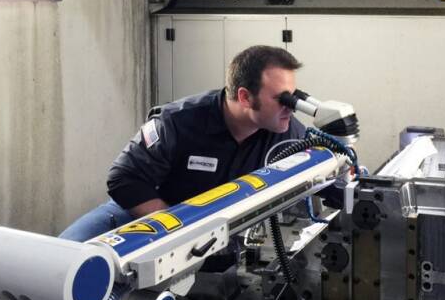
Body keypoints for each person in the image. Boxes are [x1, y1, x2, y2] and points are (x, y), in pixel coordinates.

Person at [60, 45, 306, 242]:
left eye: (293, 97)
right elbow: (123, 179)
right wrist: (178, 230)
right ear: (245, 97)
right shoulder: (177, 122)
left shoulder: (286, 131)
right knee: (64, 258)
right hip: (149, 214)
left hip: (225, 232)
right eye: (281, 98)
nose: (290, 108)